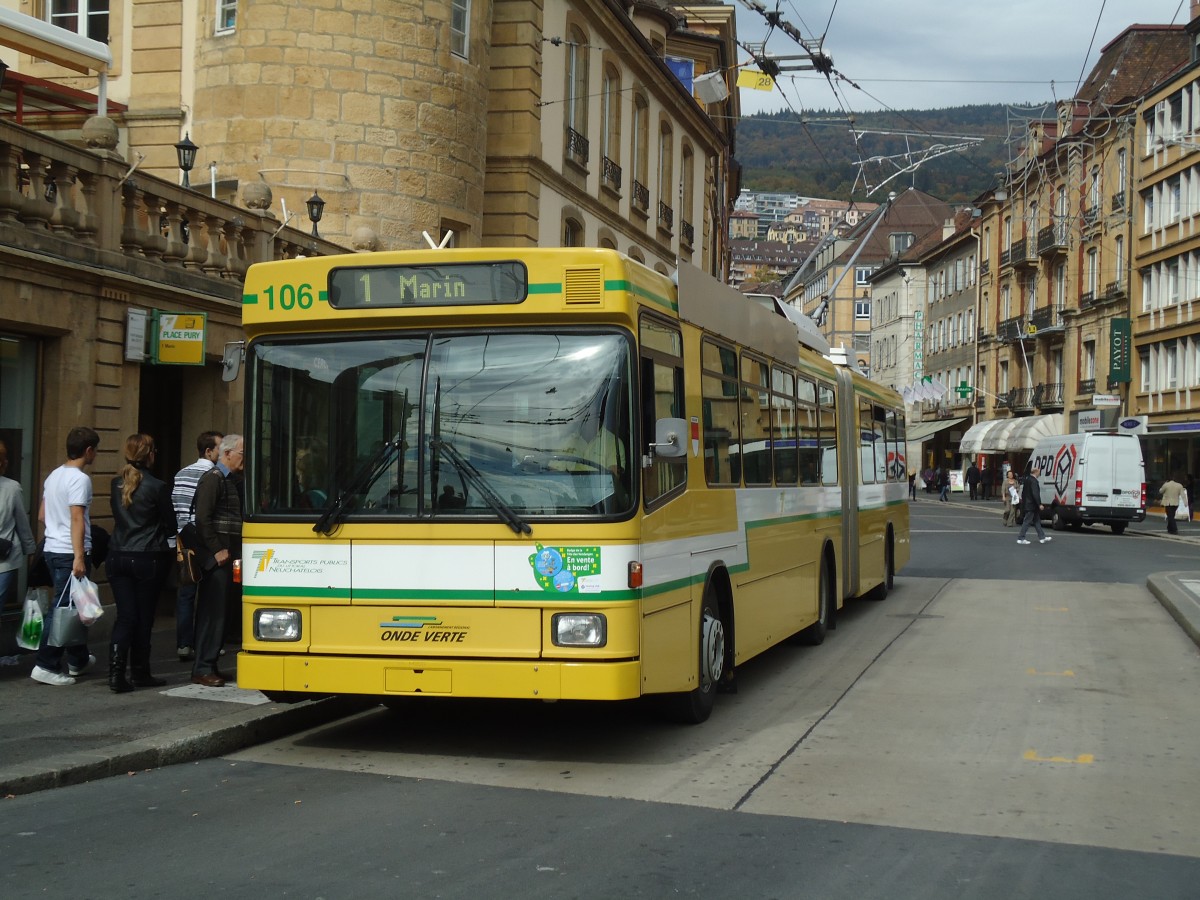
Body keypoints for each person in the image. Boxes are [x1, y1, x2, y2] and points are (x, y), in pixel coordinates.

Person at [106, 434, 176, 693]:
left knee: (125, 618)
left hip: (118, 555)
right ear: (149, 455)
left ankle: (115, 672)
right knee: (144, 617)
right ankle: (140, 672)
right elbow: (171, 524)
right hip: (147, 556)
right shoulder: (157, 486)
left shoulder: (116, 483)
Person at [30, 426, 100, 686]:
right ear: (89, 450)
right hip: (68, 552)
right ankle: (45, 664)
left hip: (52, 548)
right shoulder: (80, 479)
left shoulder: (54, 476)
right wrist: (79, 556)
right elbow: (77, 517)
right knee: (62, 609)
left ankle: (78, 660)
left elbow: (41, 515)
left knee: (75, 607)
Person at [191, 434, 244, 687]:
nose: (244, 459)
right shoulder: (213, 479)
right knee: (213, 614)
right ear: (227, 454)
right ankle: (202, 667)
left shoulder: (230, 480)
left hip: (229, 557)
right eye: (242, 454)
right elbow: (202, 518)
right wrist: (217, 549)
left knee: (223, 612)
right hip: (218, 559)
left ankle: (210, 664)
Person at [172, 431, 222, 661]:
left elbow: (174, 506)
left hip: (184, 538)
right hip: (204, 540)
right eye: (220, 448)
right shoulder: (215, 475)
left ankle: (184, 643)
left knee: (186, 592)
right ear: (208, 451)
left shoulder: (181, 474)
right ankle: (207, 643)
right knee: (209, 595)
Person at [0, 439, 38, 633]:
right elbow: (23, 523)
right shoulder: (12, 487)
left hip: (5, 560)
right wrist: (31, 551)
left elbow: (22, 523)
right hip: (5, 561)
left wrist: (30, 548)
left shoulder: (12, 488)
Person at [1016, 463, 1051, 545]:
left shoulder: (1027, 480)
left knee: (1037, 521)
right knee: (1027, 521)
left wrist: (1024, 502)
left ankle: (1042, 537)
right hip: (1032, 505)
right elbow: (1035, 493)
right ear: (1036, 472)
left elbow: (1024, 493)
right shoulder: (1034, 481)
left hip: (1029, 504)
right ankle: (1021, 538)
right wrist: (1039, 504)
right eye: (1039, 472)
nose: (1039, 473)